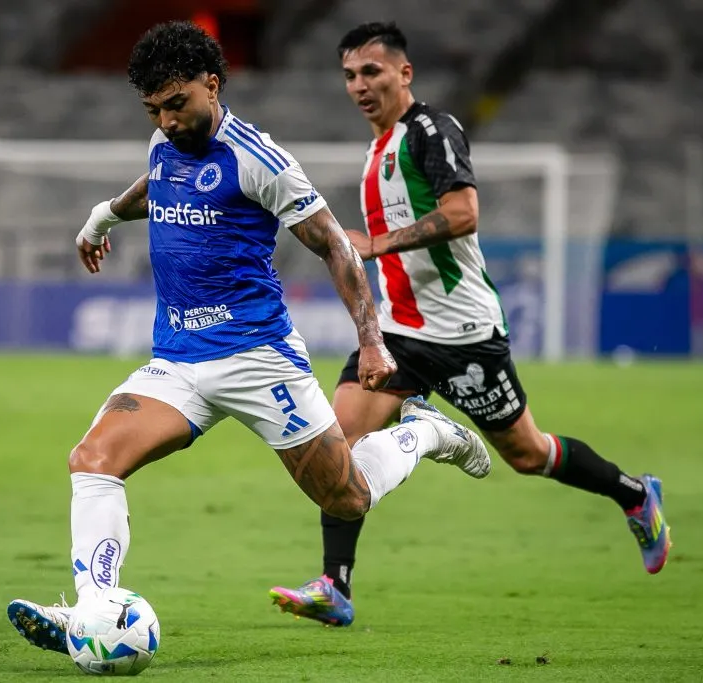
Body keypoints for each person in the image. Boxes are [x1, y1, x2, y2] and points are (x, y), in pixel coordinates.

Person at [5, 20, 491, 655]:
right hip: (178, 361)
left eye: (177, 103)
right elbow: (157, 182)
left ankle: (424, 432)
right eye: (153, 110)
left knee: (346, 497)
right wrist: (103, 217)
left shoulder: (259, 160)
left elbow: (335, 246)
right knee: (93, 460)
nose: (167, 121)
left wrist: (372, 341)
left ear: (212, 85)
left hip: (258, 358)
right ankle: (94, 613)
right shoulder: (164, 140)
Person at [268, 22, 671, 627]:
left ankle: (635, 495)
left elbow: (463, 212)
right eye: (350, 75)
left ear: (404, 73)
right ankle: (335, 584)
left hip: (463, 335)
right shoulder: (377, 151)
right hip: (399, 332)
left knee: (528, 453)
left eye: (372, 71)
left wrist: (376, 245)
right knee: (339, 441)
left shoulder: (431, 131)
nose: (359, 85)